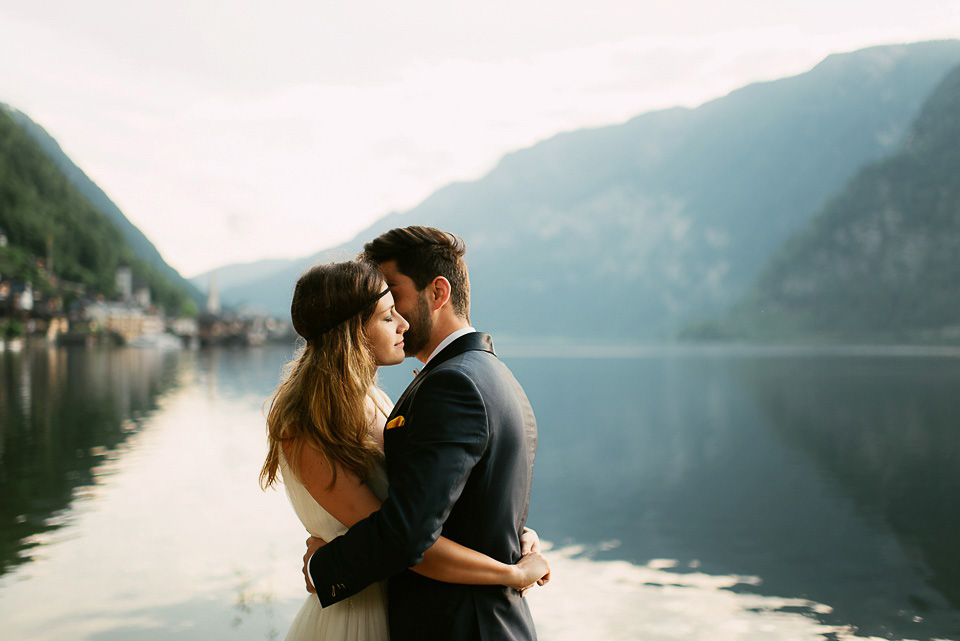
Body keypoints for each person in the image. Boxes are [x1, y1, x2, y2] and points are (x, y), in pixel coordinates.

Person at [261, 259, 548, 641]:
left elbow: (425, 500)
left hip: (399, 608)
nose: (404, 325)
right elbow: (401, 539)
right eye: (386, 317)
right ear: (351, 332)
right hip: (355, 617)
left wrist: (510, 534)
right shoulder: (308, 426)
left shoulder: (375, 400)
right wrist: (511, 573)